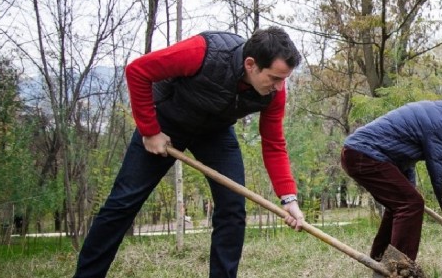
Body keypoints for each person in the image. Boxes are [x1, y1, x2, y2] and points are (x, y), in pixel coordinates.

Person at [73, 26, 305, 278]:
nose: (280, 87)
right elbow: (138, 71)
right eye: (274, 78)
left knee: (233, 209)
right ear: (251, 64)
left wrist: (289, 199)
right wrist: (150, 131)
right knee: (123, 202)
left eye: (284, 79)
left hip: (215, 132)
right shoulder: (204, 52)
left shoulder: (275, 94)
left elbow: (273, 143)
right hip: (165, 122)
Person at [340, 93, 442, 262]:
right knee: (410, 204)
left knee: (402, 204)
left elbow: (404, 157)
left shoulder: (439, 114)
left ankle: (380, 260)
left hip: (361, 153)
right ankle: (399, 268)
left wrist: (409, 187)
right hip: (365, 154)